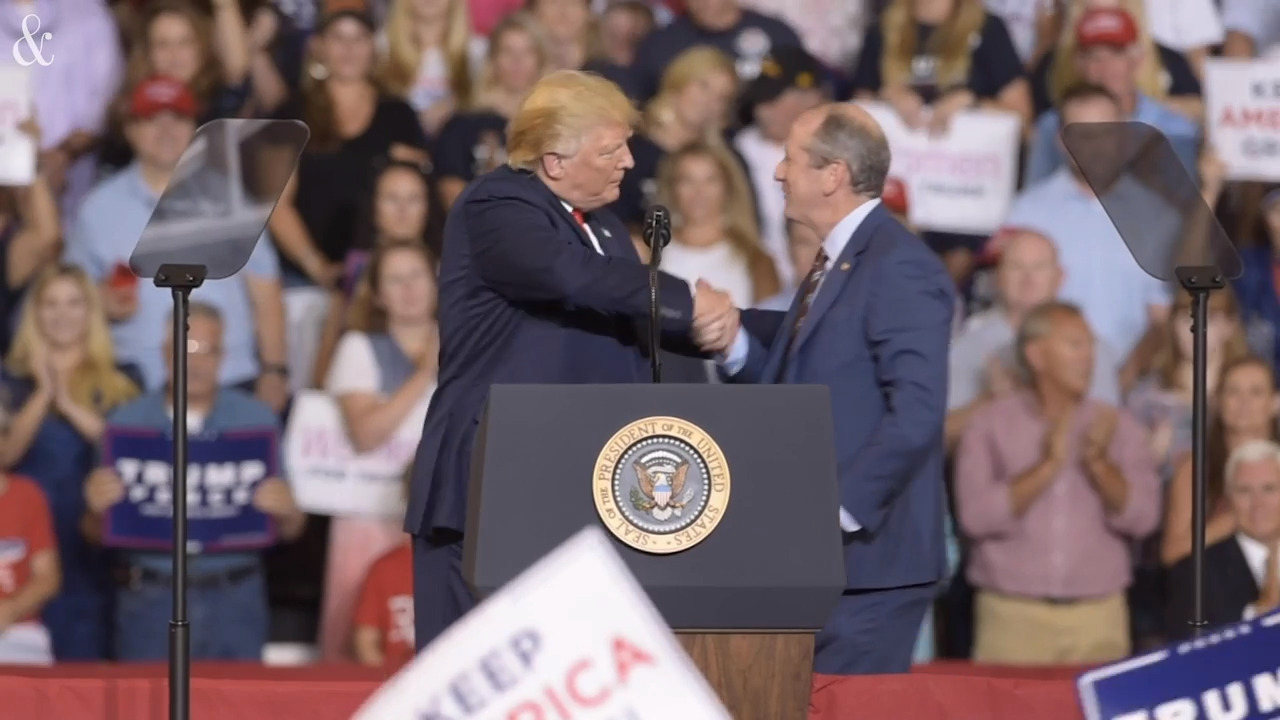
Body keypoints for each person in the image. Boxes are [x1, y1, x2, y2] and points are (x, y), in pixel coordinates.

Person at [407, 70, 737, 648]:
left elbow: (640, 311)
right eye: (612, 149)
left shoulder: (604, 229)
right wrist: (687, 300)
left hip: (579, 488)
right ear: (555, 161)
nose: (630, 162)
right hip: (491, 485)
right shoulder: (498, 204)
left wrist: (751, 330)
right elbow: (570, 277)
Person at [705, 103, 954, 674]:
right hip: (819, 564)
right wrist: (732, 340)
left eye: (790, 160)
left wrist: (835, 512)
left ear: (833, 174)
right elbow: (805, 378)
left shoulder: (897, 266)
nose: (778, 173)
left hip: (870, 567)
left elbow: (915, 411)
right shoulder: (837, 263)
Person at [1166, 439, 1280, 639]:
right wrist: (1258, 614)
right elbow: (1194, 656)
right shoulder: (1195, 576)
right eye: (1244, 491)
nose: (1258, 504)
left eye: (1269, 489)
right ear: (1228, 499)